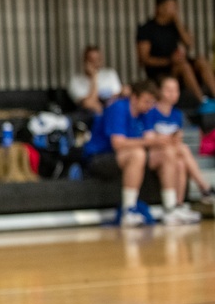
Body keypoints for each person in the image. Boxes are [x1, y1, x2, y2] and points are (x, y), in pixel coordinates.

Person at [82, 79, 197, 227]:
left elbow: (150, 138)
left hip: (128, 157)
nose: (149, 106)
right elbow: (118, 144)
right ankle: (128, 211)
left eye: (152, 102)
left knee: (167, 153)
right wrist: (151, 142)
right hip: (99, 158)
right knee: (137, 154)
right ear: (134, 98)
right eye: (146, 101)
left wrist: (165, 140)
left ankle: (171, 209)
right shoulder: (118, 108)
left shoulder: (146, 111)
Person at [143, 76, 215, 207]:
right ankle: (204, 187)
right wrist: (168, 140)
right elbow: (149, 139)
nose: (172, 94)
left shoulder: (177, 114)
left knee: (181, 163)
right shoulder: (150, 111)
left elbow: (176, 139)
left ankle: (178, 205)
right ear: (160, 91)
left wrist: (168, 139)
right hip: (153, 155)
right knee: (182, 149)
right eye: (168, 90)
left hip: (171, 154)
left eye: (175, 90)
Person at [136, 0, 215, 104]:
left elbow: (189, 44)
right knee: (184, 66)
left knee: (201, 60)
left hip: (178, 62)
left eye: (175, 7)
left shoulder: (175, 26)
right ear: (160, 8)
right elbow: (144, 59)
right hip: (161, 69)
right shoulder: (147, 29)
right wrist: (169, 60)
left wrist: (178, 22)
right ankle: (202, 101)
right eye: (171, 7)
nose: (174, 10)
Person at [67, 45, 126, 114]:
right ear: (85, 61)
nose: (94, 63)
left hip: (110, 112)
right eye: (91, 60)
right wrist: (94, 77)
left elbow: (117, 97)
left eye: (97, 59)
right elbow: (88, 104)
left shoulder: (110, 74)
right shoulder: (75, 81)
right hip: (89, 116)